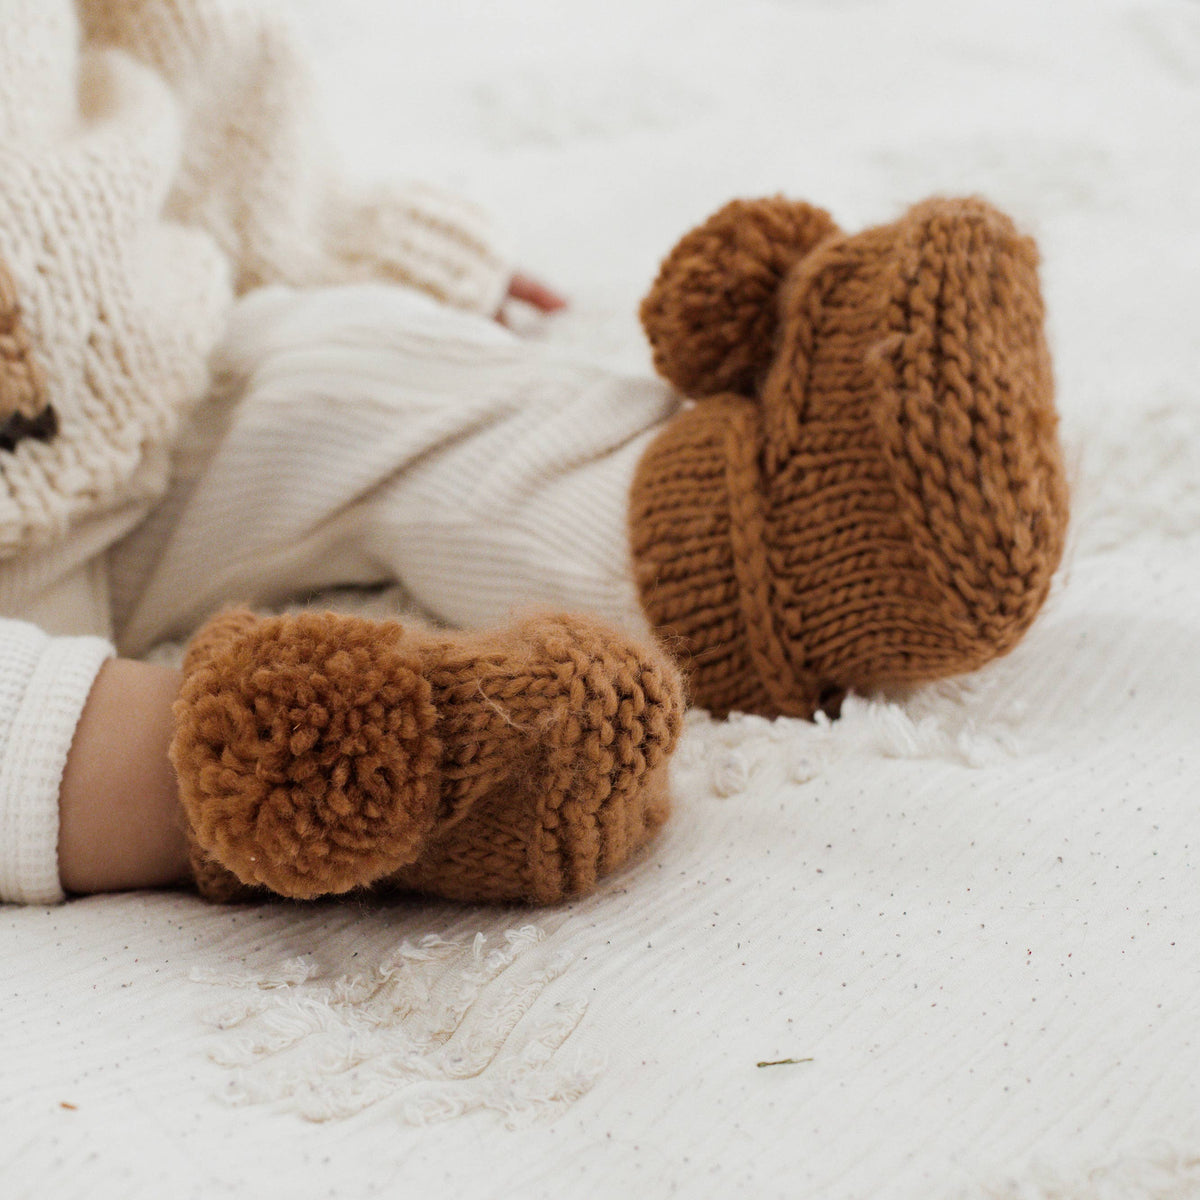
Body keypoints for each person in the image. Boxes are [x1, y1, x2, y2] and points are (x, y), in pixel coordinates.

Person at [0, 0, 1068, 906]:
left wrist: (331, 236)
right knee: (77, 739)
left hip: (125, 364)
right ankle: (333, 784)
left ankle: (777, 544)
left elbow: (196, 55)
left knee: (362, 377)